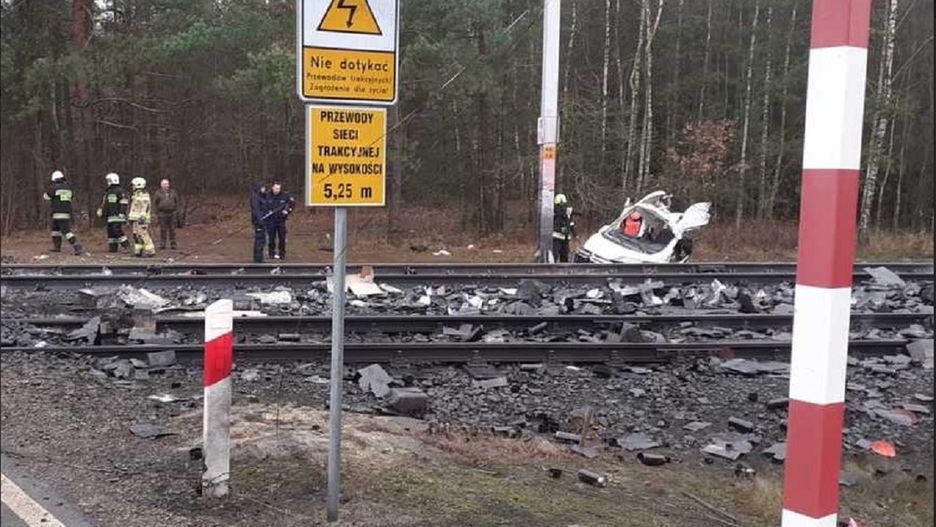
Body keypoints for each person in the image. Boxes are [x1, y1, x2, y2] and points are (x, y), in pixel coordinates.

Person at [42, 170, 84, 255]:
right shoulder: (68, 188)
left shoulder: (54, 187)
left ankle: (77, 246)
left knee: (66, 231)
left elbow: (46, 197)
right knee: (55, 229)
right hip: (66, 212)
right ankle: (56, 247)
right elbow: (71, 197)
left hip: (57, 212)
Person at [96, 172, 131, 253]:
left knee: (116, 230)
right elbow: (105, 203)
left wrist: (122, 213)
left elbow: (124, 202)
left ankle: (126, 245)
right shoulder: (108, 192)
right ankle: (113, 247)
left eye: (108, 181)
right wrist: (102, 211)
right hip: (110, 215)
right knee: (110, 232)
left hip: (117, 215)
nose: (107, 182)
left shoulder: (120, 191)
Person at [266, 181, 295, 260]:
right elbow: (263, 205)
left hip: (281, 220)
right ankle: (271, 253)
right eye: (276, 188)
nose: (277, 190)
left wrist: (288, 211)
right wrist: (267, 211)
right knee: (271, 238)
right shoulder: (267, 195)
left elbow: (292, 203)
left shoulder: (285, 195)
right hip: (271, 220)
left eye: (278, 188)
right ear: (272, 187)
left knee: (282, 237)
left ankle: (282, 254)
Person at [127, 177, 156, 257]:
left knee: (143, 234)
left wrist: (143, 217)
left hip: (141, 219)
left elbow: (145, 207)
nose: (132, 187)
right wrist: (130, 218)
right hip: (135, 218)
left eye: (133, 185)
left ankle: (150, 251)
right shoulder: (135, 195)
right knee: (136, 235)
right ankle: (138, 250)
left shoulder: (143, 195)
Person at [152, 178, 180, 250]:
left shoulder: (173, 192)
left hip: (172, 213)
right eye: (164, 184)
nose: (166, 185)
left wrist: (176, 211)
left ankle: (173, 244)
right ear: (161, 185)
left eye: (167, 184)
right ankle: (162, 244)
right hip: (162, 213)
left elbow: (177, 202)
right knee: (163, 229)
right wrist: (155, 213)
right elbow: (155, 203)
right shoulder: (158, 193)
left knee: (172, 229)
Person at [551, 193, 576, 263]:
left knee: (564, 256)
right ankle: (554, 268)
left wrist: (575, 234)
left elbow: (571, 223)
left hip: (565, 238)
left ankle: (563, 269)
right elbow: (554, 224)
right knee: (556, 256)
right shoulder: (554, 213)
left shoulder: (567, 212)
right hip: (557, 238)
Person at [250, 182, 271, 263]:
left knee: (262, 240)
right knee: (260, 239)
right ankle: (257, 259)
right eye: (262, 188)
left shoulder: (262, 196)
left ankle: (259, 258)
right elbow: (256, 210)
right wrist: (260, 220)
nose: (264, 189)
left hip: (263, 220)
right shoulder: (255, 197)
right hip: (259, 222)